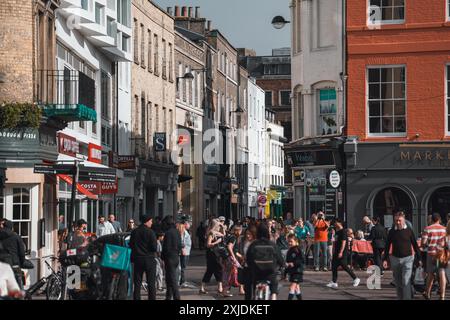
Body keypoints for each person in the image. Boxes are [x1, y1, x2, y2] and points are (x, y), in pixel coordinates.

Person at [383, 211, 421, 300]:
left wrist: (419, 258)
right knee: (398, 282)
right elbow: (387, 245)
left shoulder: (409, 230)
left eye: (399, 220)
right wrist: (385, 259)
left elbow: (415, 245)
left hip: (408, 258)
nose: (398, 222)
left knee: (406, 280)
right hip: (395, 259)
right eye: (396, 220)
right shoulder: (392, 231)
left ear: (404, 220)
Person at [246, 223, 284, 300]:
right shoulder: (272, 245)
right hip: (270, 272)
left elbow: (248, 258)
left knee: (249, 285)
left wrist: (251, 267)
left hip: (257, 272)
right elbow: (280, 259)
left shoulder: (253, 244)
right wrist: (282, 265)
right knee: (274, 285)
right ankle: (273, 296)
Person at [129, 214, 157, 300]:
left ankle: (136, 298)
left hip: (138, 259)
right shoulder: (151, 232)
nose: (152, 223)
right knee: (151, 282)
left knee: (137, 282)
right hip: (149, 259)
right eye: (151, 221)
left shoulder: (134, 232)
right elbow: (154, 247)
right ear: (147, 221)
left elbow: (131, 244)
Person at [326, 219, 361, 289]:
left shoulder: (343, 231)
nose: (335, 224)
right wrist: (333, 251)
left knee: (344, 265)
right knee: (334, 266)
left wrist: (341, 252)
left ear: (339, 223)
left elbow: (344, 242)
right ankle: (334, 282)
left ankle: (356, 278)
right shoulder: (337, 232)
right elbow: (335, 243)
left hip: (342, 252)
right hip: (337, 251)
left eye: (336, 223)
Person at [421, 213, 447, 300]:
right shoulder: (445, 229)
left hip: (431, 253)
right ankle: (442, 295)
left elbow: (423, 243)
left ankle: (428, 293)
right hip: (442, 254)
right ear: (439, 219)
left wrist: (427, 244)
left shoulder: (427, 229)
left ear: (432, 219)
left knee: (430, 274)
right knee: (442, 273)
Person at [200, 219, 226, 295]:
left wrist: (222, 227)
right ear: (215, 226)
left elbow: (224, 235)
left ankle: (219, 287)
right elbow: (208, 244)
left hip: (217, 254)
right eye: (218, 225)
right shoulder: (211, 233)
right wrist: (216, 242)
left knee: (217, 269)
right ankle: (204, 287)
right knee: (212, 270)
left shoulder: (218, 233)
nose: (219, 227)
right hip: (212, 254)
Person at [0, 220, 26, 290]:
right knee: (18, 286)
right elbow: (22, 252)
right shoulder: (16, 237)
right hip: (15, 264)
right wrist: (22, 262)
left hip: (2, 264)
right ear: (11, 227)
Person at [161, 215, 182, 300]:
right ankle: (168, 296)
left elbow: (166, 247)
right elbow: (180, 244)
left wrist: (163, 256)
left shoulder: (168, 233)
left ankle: (176, 297)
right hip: (176, 256)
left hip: (170, 257)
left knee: (172, 279)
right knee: (169, 278)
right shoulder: (176, 231)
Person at [223, 224, 243, 297]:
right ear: (238, 231)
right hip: (230, 258)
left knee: (228, 274)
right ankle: (226, 291)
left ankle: (226, 291)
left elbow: (235, 251)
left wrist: (241, 257)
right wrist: (234, 257)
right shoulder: (233, 238)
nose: (241, 232)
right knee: (231, 274)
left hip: (226, 258)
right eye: (240, 231)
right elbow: (230, 247)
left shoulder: (230, 236)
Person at [237, 226, 257, 298]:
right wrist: (241, 257)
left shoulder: (256, 243)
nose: (248, 236)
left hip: (255, 268)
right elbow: (239, 252)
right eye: (247, 234)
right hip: (246, 267)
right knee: (247, 288)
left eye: (250, 234)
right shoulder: (244, 242)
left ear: (254, 234)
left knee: (255, 287)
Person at [285, 233, 305, 300]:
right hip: (292, 272)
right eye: (288, 242)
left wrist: (294, 263)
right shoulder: (289, 251)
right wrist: (285, 274)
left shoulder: (298, 249)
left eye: (291, 241)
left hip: (298, 272)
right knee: (297, 289)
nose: (289, 243)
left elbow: (302, 260)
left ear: (296, 241)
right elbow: (287, 263)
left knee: (292, 288)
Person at [435, 221, 450, 300]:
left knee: (442, 275)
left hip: (446, 260)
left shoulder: (445, 238)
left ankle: (443, 295)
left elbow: (439, 248)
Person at [179, 219, 192, 287]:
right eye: (188, 223)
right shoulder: (182, 231)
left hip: (186, 251)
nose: (189, 225)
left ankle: (182, 280)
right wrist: (183, 249)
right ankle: (182, 281)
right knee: (182, 267)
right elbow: (181, 241)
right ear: (185, 224)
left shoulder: (185, 231)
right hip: (184, 252)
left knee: (183, 267)